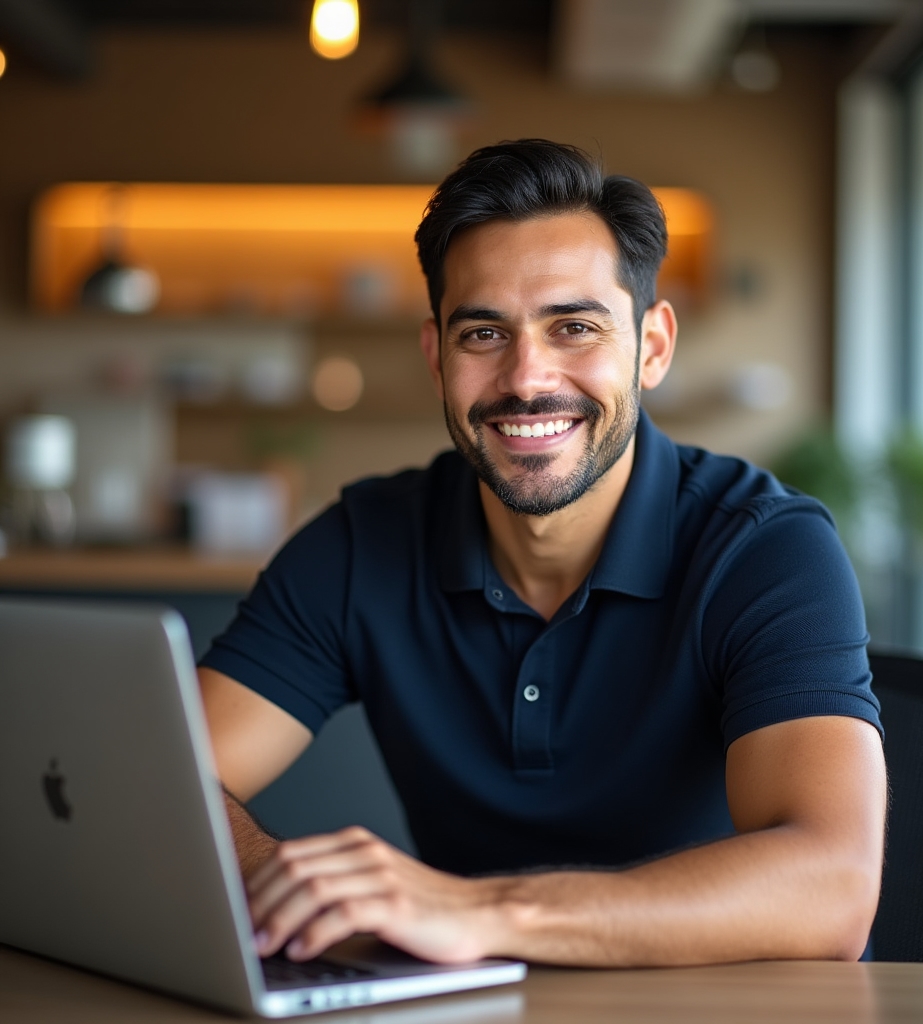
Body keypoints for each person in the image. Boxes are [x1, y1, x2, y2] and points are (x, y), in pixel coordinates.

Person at [198, 139, 886, 969]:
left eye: (575, 327)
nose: (527, 378)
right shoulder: (361, 543)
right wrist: (299, 890)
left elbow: (832, 889)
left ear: (653, 346)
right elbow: (153, 777)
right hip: (466, 1010)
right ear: (436, 356)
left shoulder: (765, 550)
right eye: (484, 332)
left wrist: (485, 914)